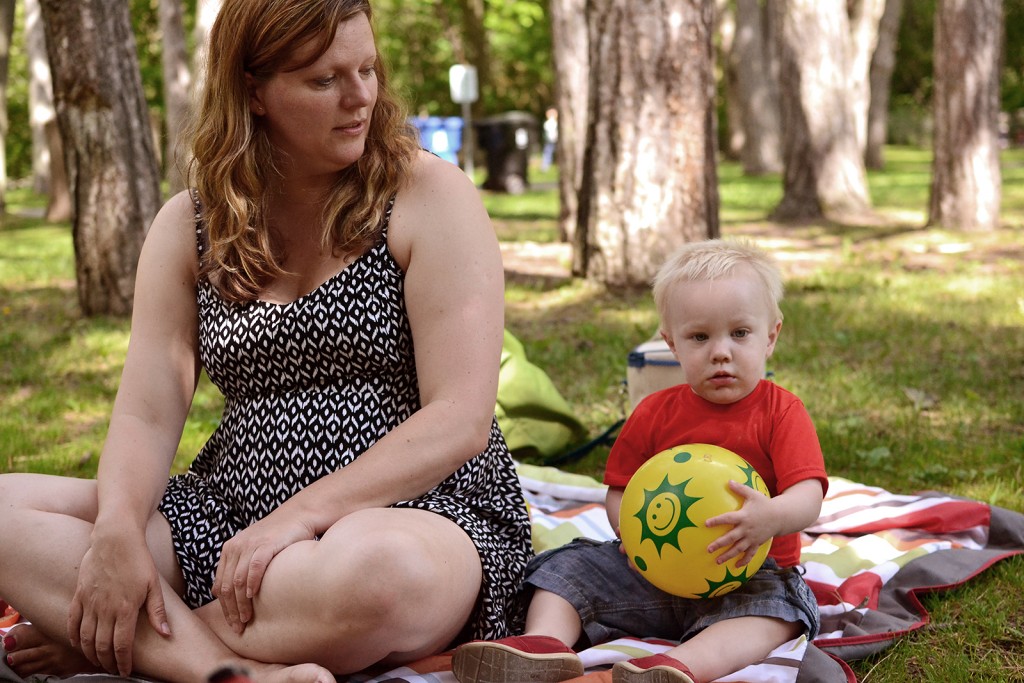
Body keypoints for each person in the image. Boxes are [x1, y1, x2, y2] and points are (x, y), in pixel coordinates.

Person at [0, 2, 531, 682]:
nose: (360, 95)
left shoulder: (425, 192)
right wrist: (117, 533)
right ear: (253, 90)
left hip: (413, 513)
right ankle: (222, 668)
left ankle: (124, 639)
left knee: (378, 576)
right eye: (324, 79)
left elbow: (459, 419)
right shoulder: (190, 223)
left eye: (367, 69)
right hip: (232, 514)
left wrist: (298, 519)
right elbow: (146, 409)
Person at [452, 239, 828, 683]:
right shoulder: (653, 412)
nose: (720, 352)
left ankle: (679, 667)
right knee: (564, 566)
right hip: (653, 575)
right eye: (700, 337)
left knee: (781, 608)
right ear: (672, 343)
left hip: (749, 576)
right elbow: (620, 493)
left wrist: (771, 517)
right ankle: (544, 645)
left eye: (739, 334)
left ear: (771, 336)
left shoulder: (781, 412)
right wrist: (630, 536)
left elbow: (808, 496)